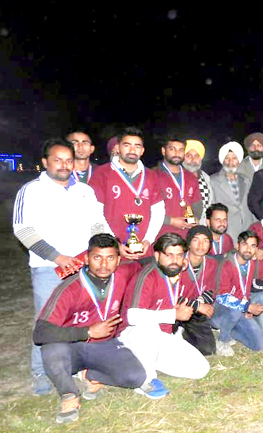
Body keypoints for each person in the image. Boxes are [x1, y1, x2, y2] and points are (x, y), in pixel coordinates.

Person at [14, 138, 111, 395]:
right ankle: (40, 371)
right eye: (57, 160)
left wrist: (101, 248)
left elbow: (97, 223)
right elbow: (23, 230)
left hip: (83, 267)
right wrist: (57, 257)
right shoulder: (32, 190)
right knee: (48, 321)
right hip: (50, 268)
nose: (64, 165)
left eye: (68, 160)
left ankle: (79, 368)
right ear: (45, 162)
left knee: (81, 318)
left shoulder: (84, 191)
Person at [32, 234, 150, 423]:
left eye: (110, 258)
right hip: (72, 347)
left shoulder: (124, 272)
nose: (104, 264)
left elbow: (147, 264)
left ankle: (91, 375)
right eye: (97, 257)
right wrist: (86, 332)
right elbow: (40, 333)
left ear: (119, 260)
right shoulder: (69, 288)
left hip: (104, 345)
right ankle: (69, 395)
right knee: (51, 348)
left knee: (136, 377)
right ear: (86, 258)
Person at [119, 233, 210, 397]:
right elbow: (132, 316)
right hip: (133, 336)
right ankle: (145, 379)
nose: (174, 260)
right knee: (147, 327)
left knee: (201, 369)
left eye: (179, 255)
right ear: (157, 255)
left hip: (160, 337)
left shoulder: (175, 273)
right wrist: (173, 315)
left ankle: (143, 362)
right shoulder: (147, 276)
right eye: (169, 255)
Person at [89, 127, 165, 259]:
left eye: (137, 146)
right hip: (111, 252)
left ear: (142, 151)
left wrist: (148, 239)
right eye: (127, 145)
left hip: (144, 251)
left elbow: (158, 211)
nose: (132, 150)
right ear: (118, 148)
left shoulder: (152, 176)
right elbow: (95, 213)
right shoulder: (102, 173)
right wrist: (113, 243)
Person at [212, 230, 263, 356]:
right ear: (237, 245)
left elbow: (245, 289)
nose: (248, 249)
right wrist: (246, 306)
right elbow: (221, 297)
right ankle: (222, 340)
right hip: (219, 309)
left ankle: (227, 329)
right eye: (245, 244)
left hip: (240, 308)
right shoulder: (227, 264)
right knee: (235, 311)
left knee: (259, 345)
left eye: (253, 246)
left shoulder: (252, 263)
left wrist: (246, 306)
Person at [178, 226, 221, 355]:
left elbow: (212, 290)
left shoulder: (212, 263)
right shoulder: (177, 262)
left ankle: (184, 335)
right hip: (175, 309)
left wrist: (200, 303)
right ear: (189, 243)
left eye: (206, 241)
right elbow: (169, 294)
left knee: (208, 350)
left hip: (196, 311)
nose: (201, 245)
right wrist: (197, 305)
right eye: (196, 240)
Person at [155, 138, 201, 238]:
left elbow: (197, 204)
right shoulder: (152, 175)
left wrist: (196, 218)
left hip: (187, 235)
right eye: (172, 149)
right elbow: (147, 209)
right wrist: (170, 220)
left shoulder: (191, 177)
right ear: (163, 151)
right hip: (162, 235)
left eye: (181, 150)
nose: (177, 153)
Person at [210, 142, 257, 240]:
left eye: (234, 158)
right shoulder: (213, 181)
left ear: (239, 161)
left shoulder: (246, 180)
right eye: (227, 158)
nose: (230, 162)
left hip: (247, 231)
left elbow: (251, 206)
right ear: (222, 160)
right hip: (227, 232)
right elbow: (211, 210)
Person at [183, 139, 214, 225]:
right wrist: (191, 221)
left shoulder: (206, 178)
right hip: (185, 226)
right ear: (183, 157)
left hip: (204, 226)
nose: (193, 160)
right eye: (189, 156)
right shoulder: (179, 177)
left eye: (197, 156)